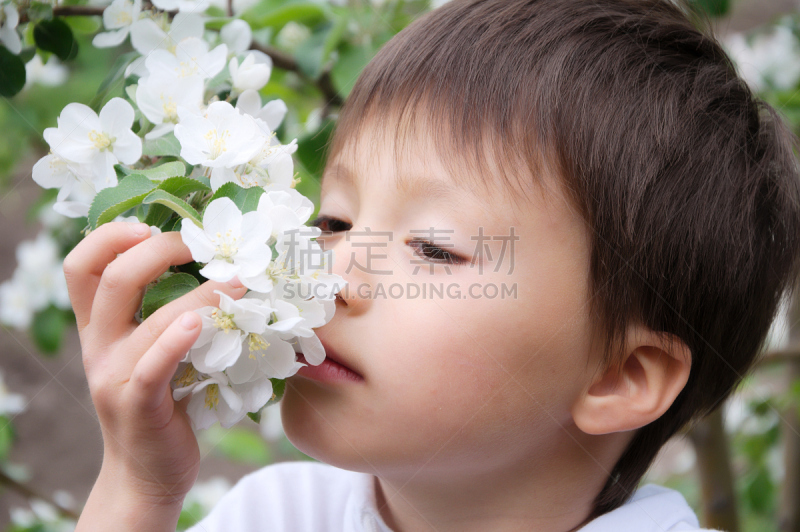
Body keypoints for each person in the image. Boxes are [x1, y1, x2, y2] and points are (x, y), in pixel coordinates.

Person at [68, 0, 800, 530]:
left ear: (619, 376)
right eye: (334, 221)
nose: (328, 274)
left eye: (434, 247)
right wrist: (137, 489)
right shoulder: (276, 514)